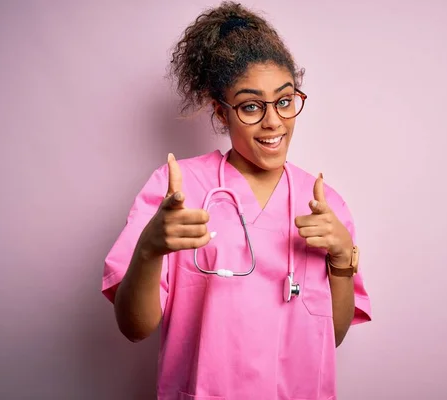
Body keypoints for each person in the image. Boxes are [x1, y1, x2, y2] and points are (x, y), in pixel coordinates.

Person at [102, 2, 372, 398]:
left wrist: (341, 260)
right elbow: (134, 327)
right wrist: (148, 248)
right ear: (220, 112)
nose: (273, 121)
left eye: (284, 100)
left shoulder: (323, 205)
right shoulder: (178, 191)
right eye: (250, 106)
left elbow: (332, 336)